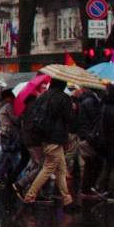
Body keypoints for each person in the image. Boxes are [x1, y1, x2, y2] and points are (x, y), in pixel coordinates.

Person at [21, 78, 75, 209]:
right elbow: (70, 119)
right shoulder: (63, 98)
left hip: (44, 137)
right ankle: (30, 195)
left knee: (61, 169)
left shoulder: (43, 96)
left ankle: (67, 199)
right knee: (49, 167)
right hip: (56, 138)